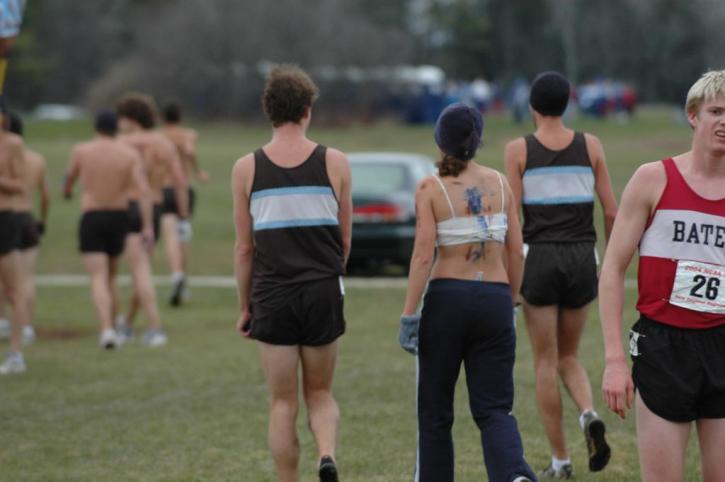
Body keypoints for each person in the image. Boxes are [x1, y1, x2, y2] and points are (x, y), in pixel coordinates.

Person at [400, 102, 536, 482]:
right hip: (494, 298)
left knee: (435, 410)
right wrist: (511, 302)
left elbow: (423, 255)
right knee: (495, 408)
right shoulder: (500, 183)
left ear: (440, 142)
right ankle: (513, 475)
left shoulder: (431, 187)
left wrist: (410, 314)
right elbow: (516, 250)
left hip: (447, 300)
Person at [600, 70, 725, 482]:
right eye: (716, 111)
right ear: (693, 116)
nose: (724, 122)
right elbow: (613, 269)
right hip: (663, 347)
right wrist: (615, 359)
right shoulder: (653, 179)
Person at [231, 65, 351, 482]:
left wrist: (245, 306)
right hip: (321, 290)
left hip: (273, 293)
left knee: (283, 404)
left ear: (269, 112)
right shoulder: (335, 162)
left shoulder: (246, 168)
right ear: (307, 111)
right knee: (320, 393)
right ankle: (327, 454)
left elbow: (245, 247)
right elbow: (344, 242)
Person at [504, 71, 617, 478]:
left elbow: (512, 219)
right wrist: (611, 260)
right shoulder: (592, 145)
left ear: (532, 106)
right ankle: (588, 413)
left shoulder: (519, 150)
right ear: (567, 104)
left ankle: (561, 460)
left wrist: (509, 274)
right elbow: (611, 210)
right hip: (582, 256)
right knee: (570, 355)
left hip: (540, 258)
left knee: (545, 361)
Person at [63, 110, 153, 349]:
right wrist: (146, 225)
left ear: (96, 127)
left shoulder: (82, 150)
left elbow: (69, 180)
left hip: (92, 214)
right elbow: (142, 189)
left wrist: (68, 191)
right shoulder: (129, 154)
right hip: (119, 216)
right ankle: (114, 326)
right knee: (112, 276)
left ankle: (106, 330)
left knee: (97, 277)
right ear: (116, 129)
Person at [114, 93, 189, 346]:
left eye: (121, 118)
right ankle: (126, 323)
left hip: (131, 206)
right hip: (156, 208)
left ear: (131, 119)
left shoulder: (122, 142)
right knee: (141, 267)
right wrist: (183, 214)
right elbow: (179, 180)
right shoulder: (164, 144)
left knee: (140, 270)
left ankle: (155, 328)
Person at [0, 112, 49, 345]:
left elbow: (17, 185)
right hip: (27, 217)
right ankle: (26, 326)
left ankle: (7, 324)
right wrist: (43, 221)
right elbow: (46, 196)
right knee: (24, 279)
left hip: (9, 218)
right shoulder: (37, 159)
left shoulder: (11, 152)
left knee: (9, 280)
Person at [159, 102, 208, 306]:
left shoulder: (158, 137)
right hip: (184, 189)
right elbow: (189, 150)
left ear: (163, 118)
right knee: (183, 234)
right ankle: (183, 281)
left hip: (163, 188)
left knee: (170, 234)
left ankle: (176, 274)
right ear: (180, 117)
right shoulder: (187, 134)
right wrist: (197, 171)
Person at [0, 103, 29, 374]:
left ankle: (16, 353)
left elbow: (21, 185)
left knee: (13, 289)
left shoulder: (13, 144)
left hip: (4, 219)